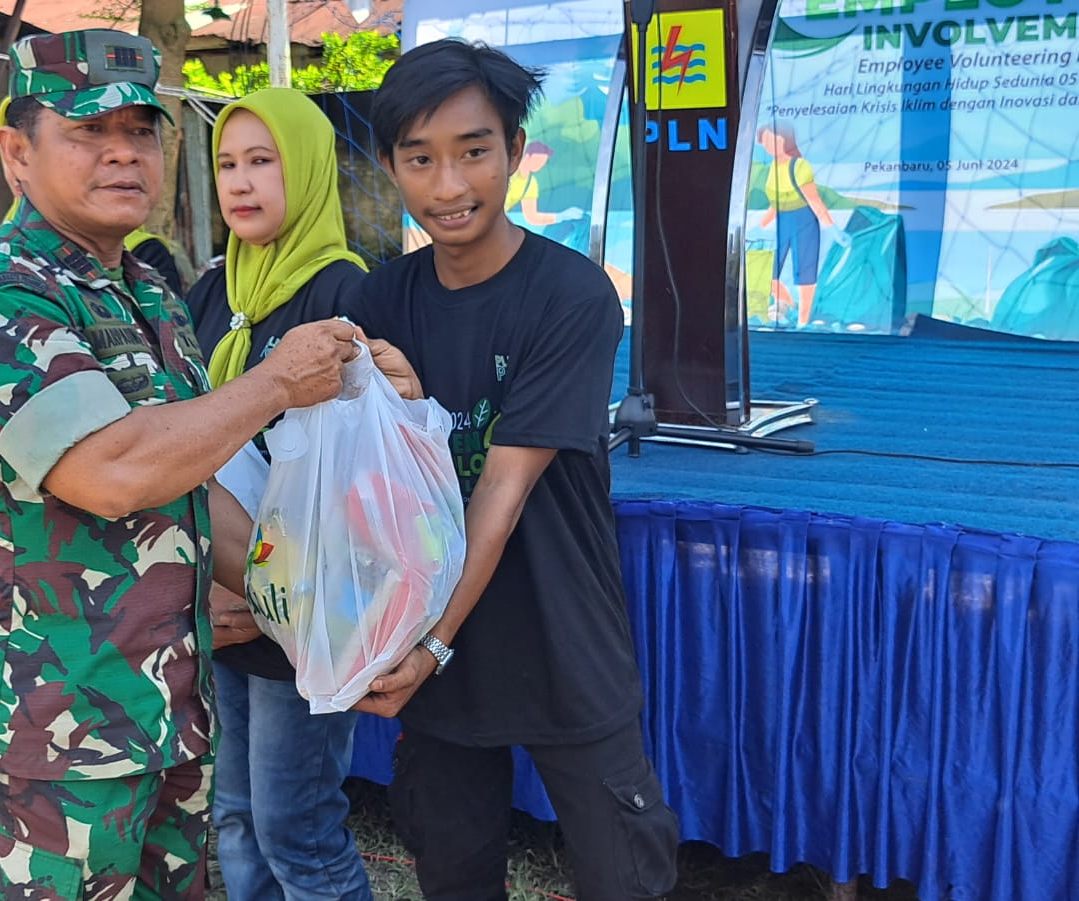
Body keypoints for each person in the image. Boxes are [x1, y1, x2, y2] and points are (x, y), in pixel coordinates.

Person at [0, 29, 360, 900]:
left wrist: (317, 612)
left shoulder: (148, 293)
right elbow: (110, 472)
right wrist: (276, 380)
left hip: (166, 711)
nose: (123, 153)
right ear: (16, 151)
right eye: (88, 131)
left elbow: (193, 483)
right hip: (53, 725)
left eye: (141, 131)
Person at [345, 39, 682, 901]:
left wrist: (431, 642)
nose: (449, 185)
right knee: (454, 875)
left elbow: (502, 487)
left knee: (624, 877)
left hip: (559, 634)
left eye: (473, 152)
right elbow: (358, 478)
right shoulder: (378, 302)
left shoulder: (572, 296)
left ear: (516, 150)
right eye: (420, 159)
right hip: (440, 657)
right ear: (390, 165)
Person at [182, 87, 374, 901]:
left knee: (296, 824)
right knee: (233, 814)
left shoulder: (345, 293)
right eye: (227, 162)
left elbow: (363, 467)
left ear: (308, 168)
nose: (240, 181)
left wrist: (275, 593)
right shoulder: (214, 293)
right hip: (224, 594)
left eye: (262, 161)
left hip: (305, 607)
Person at [758, 123, 833, 327]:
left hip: (805, 222)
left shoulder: (800, 166)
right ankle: (788, 302)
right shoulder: (773, 167)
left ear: (784, 139)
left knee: (805, 274)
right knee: (767, 272)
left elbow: (814, 200)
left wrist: (831, 226)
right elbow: (776, 203)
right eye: (764, 141)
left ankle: (802, 322)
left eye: (769, 139)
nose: (766, 145)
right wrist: (761, 225)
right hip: (783, 222)